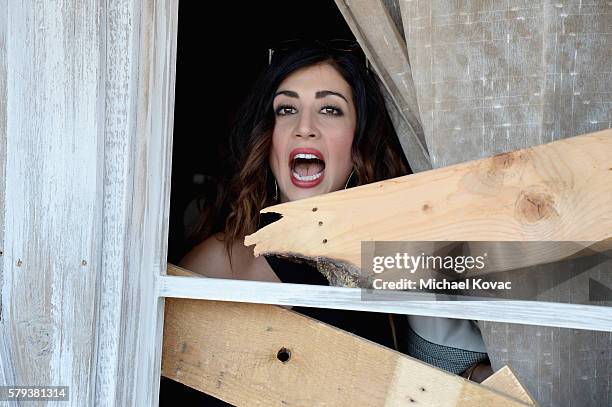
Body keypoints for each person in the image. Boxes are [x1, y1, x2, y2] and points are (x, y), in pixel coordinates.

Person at [179, 40, 492, 386]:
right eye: (286, 109)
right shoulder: (221, 264)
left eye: (330, 109)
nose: (305, 126)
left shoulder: (392, 257)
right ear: (269, 140)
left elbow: (444, 372)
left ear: (358, 146)